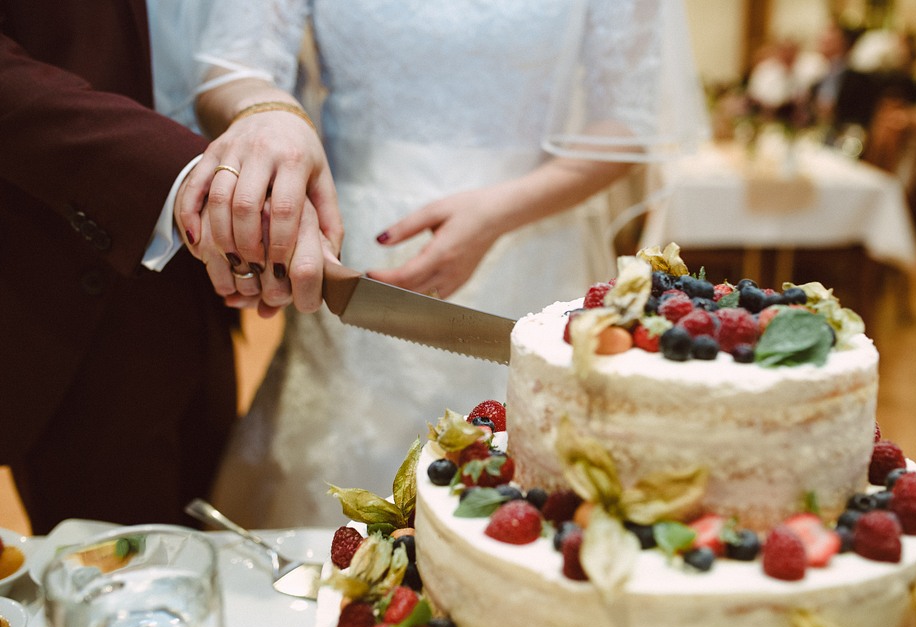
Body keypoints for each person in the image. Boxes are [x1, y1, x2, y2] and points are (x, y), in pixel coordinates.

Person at [194, 0, 707, 528]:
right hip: (355, 249)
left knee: (530, 518)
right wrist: (273, 117)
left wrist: (497, 212)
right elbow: (229, 69)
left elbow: (630, 120)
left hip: (531, 245)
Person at [0, 0, 340, 533]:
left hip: (219, 274)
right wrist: (187, 181)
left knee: (210, 529)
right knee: (118, 571)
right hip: (66, 270)